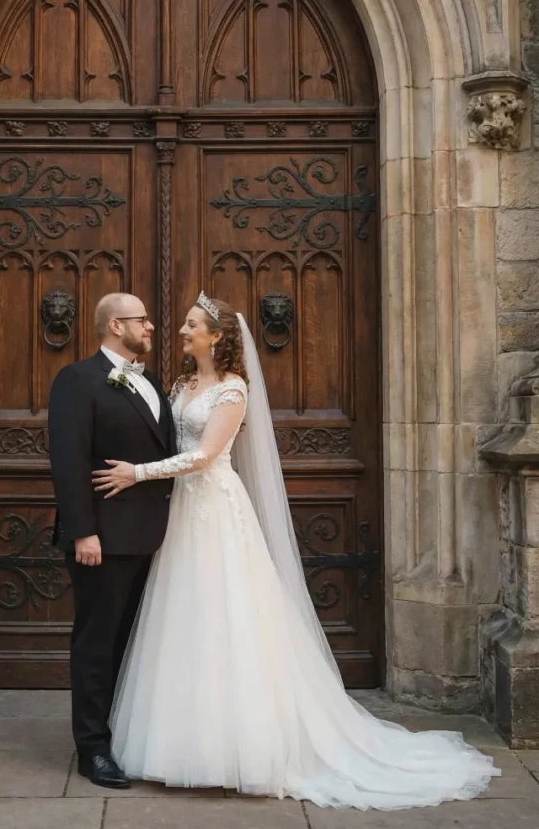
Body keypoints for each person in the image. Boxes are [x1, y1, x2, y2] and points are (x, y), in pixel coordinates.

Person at [91, 293, 500, 810]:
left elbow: (205, 455)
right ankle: (181, 740)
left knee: (228, 616)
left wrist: (138, 473)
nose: (181, 331)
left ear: (216, 336)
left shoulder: (233, 389)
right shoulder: (179, 384)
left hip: (215, 509)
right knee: (183, 616)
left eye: (192, 324)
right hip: (179, 514)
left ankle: (243, 747)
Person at [49, 293, 176, 789]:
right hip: (103, 538)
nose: (151, 326)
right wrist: (83, 530)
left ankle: (124, 736)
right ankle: (92, 749)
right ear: (116, 325)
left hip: (154, 537)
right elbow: (68, 459)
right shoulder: (77, 380)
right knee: (97, 644)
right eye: (142, 319)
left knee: (135, 644)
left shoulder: (153, 381)